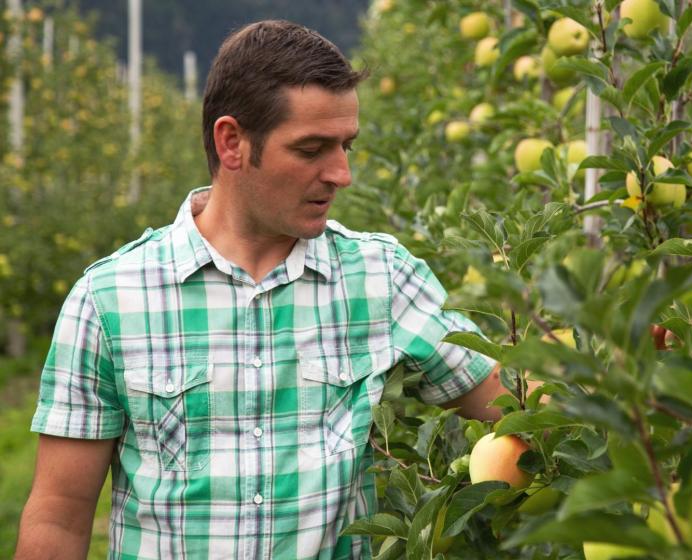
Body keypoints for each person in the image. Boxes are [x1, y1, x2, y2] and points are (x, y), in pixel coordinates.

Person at [16, 20, 512, 559]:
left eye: (346, 146)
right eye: (311, 149)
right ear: (232, 142)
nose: (341, 173)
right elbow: (60, 519)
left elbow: (515, 404)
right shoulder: (110, 299)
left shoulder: (381, 277)